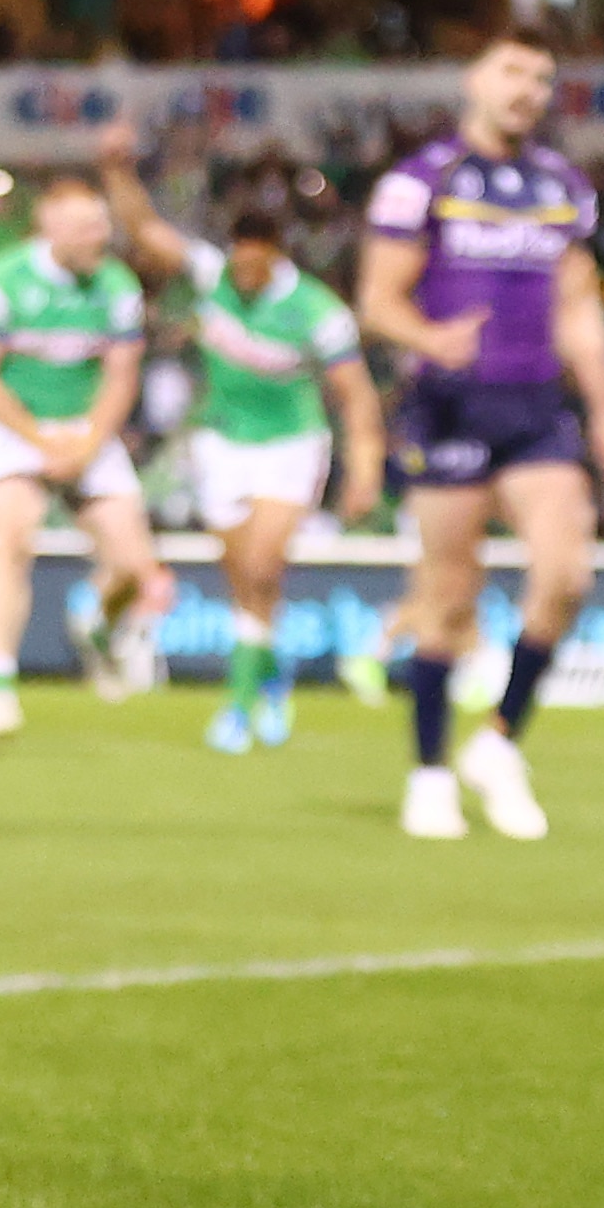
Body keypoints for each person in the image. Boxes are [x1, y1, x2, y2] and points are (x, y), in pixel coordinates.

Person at [357, 37, 604, 840]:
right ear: (474, 78)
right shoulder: (423, 181)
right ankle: (430, 773)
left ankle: (500, 737)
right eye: (512, 72)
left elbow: (578, 307)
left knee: (568, 572)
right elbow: (378, 298)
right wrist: (429, 337)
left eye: (543, 78)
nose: (528, 89)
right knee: (448, 597)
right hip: (449, 408)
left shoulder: (561, 186)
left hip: (536, 407)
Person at [94, 126, 383, 753]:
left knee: (261, 564)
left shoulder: (317, 312)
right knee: (246, 584)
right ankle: (271, 676)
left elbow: (356, 397)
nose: (243, 275)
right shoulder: (211, 274)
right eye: (238, 262)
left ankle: (236, 706)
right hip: (220, 443)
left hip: (291, 445)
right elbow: (146, 232)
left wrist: (364, 472)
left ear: (279, 257)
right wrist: (118, 170)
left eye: (256, 265)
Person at [0, 174, 171, 739]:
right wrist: (40, 441)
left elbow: (121, 377)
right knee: (13, 535)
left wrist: (87, 441)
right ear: (49, 228)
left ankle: (97, 626)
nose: (98, 235)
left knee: (132, 566)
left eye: (101, 224)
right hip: (14, 426)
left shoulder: (118, 285)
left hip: (85, 427)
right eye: (85, 227)